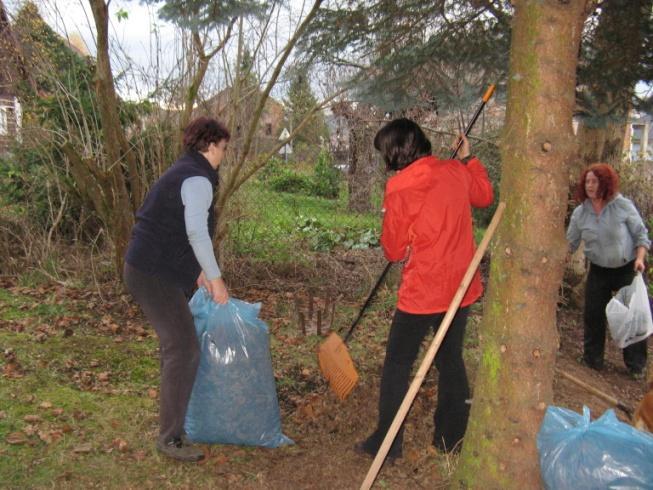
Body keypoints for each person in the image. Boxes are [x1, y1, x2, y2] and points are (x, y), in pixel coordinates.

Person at [356, 118, 493, 460]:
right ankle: (450, 438)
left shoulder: (400, 187)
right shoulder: (455, 171)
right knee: (450, 360)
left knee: (398, 363)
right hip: (460, 288)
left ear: (397, 152)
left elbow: (393, 250)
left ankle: (388, 443)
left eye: (385, 152)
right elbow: (484, 195)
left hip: (424, 291)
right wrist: (467, 159)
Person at [123, 116, 230, 462]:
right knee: (184, 349)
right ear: (210, 145)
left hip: (153, 268)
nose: (224, 156)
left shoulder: (185, 171)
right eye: (223, 149)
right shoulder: (197, 179)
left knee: (177, 347)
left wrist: (197, 271)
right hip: (153, 274)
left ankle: (173, 424)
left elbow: (176, 230)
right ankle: (170, 437)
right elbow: (197, 233)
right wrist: (215, 278)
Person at [566, 163, 650, 378]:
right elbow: (570, 244)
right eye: (587, 182)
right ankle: (592, 360)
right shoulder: (580, 213)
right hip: (599, 269)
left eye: (594, 181)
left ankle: (636, 365)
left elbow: (641, 235)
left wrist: (640, 259)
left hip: (627, 267)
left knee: (633, 316)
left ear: (605, 183)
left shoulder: (621, 205)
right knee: (593, 314)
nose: (590, 186)